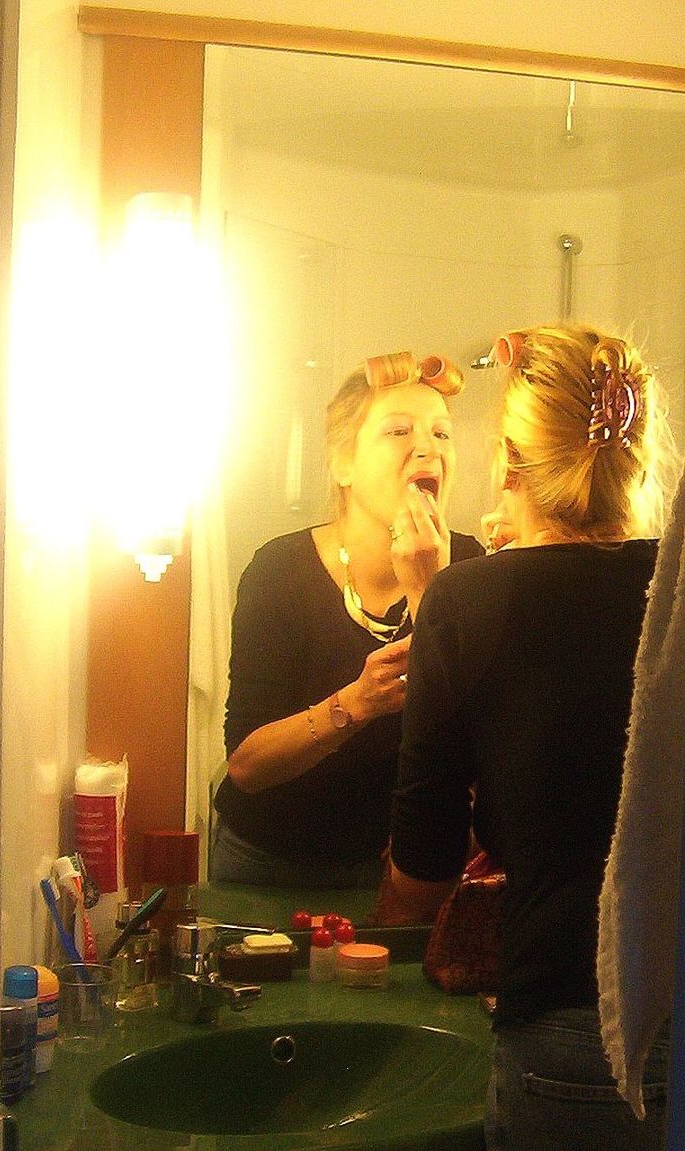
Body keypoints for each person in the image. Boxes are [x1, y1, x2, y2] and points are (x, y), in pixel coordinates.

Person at [388, 324, 678, 1150]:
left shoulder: (468, 599)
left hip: (572, 1024)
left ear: (510, 465)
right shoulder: (678, 588)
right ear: (640, 460)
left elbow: (423, 867)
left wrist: (443, 602)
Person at [210, 350, 484, 888]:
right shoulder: (280, 571)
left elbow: (486, 745)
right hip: (269, 864)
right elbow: (247, 766)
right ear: (344, 464)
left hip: (410, 869)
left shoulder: (473, 568)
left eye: (441, 434)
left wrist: (431, 586)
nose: (426, 447)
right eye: (398, 431)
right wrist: (355, 704)